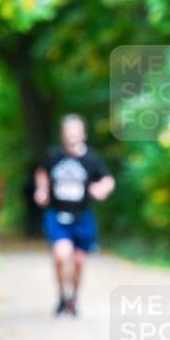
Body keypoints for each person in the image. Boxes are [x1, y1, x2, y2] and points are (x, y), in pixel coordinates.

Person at [34, 114, 115, 316]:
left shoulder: (92, 158)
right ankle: (61, 294)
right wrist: (42, 190)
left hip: (83, 216)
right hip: (57, 213)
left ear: (83, 135)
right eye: (68, 132)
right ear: (63, 135)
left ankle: (73, 299)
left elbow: (107, 179)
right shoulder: (53, 155)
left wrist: (102, 189)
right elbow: (41, 172)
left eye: (75, 132)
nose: (72, 136)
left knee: (79, 261)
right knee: (61, 255)